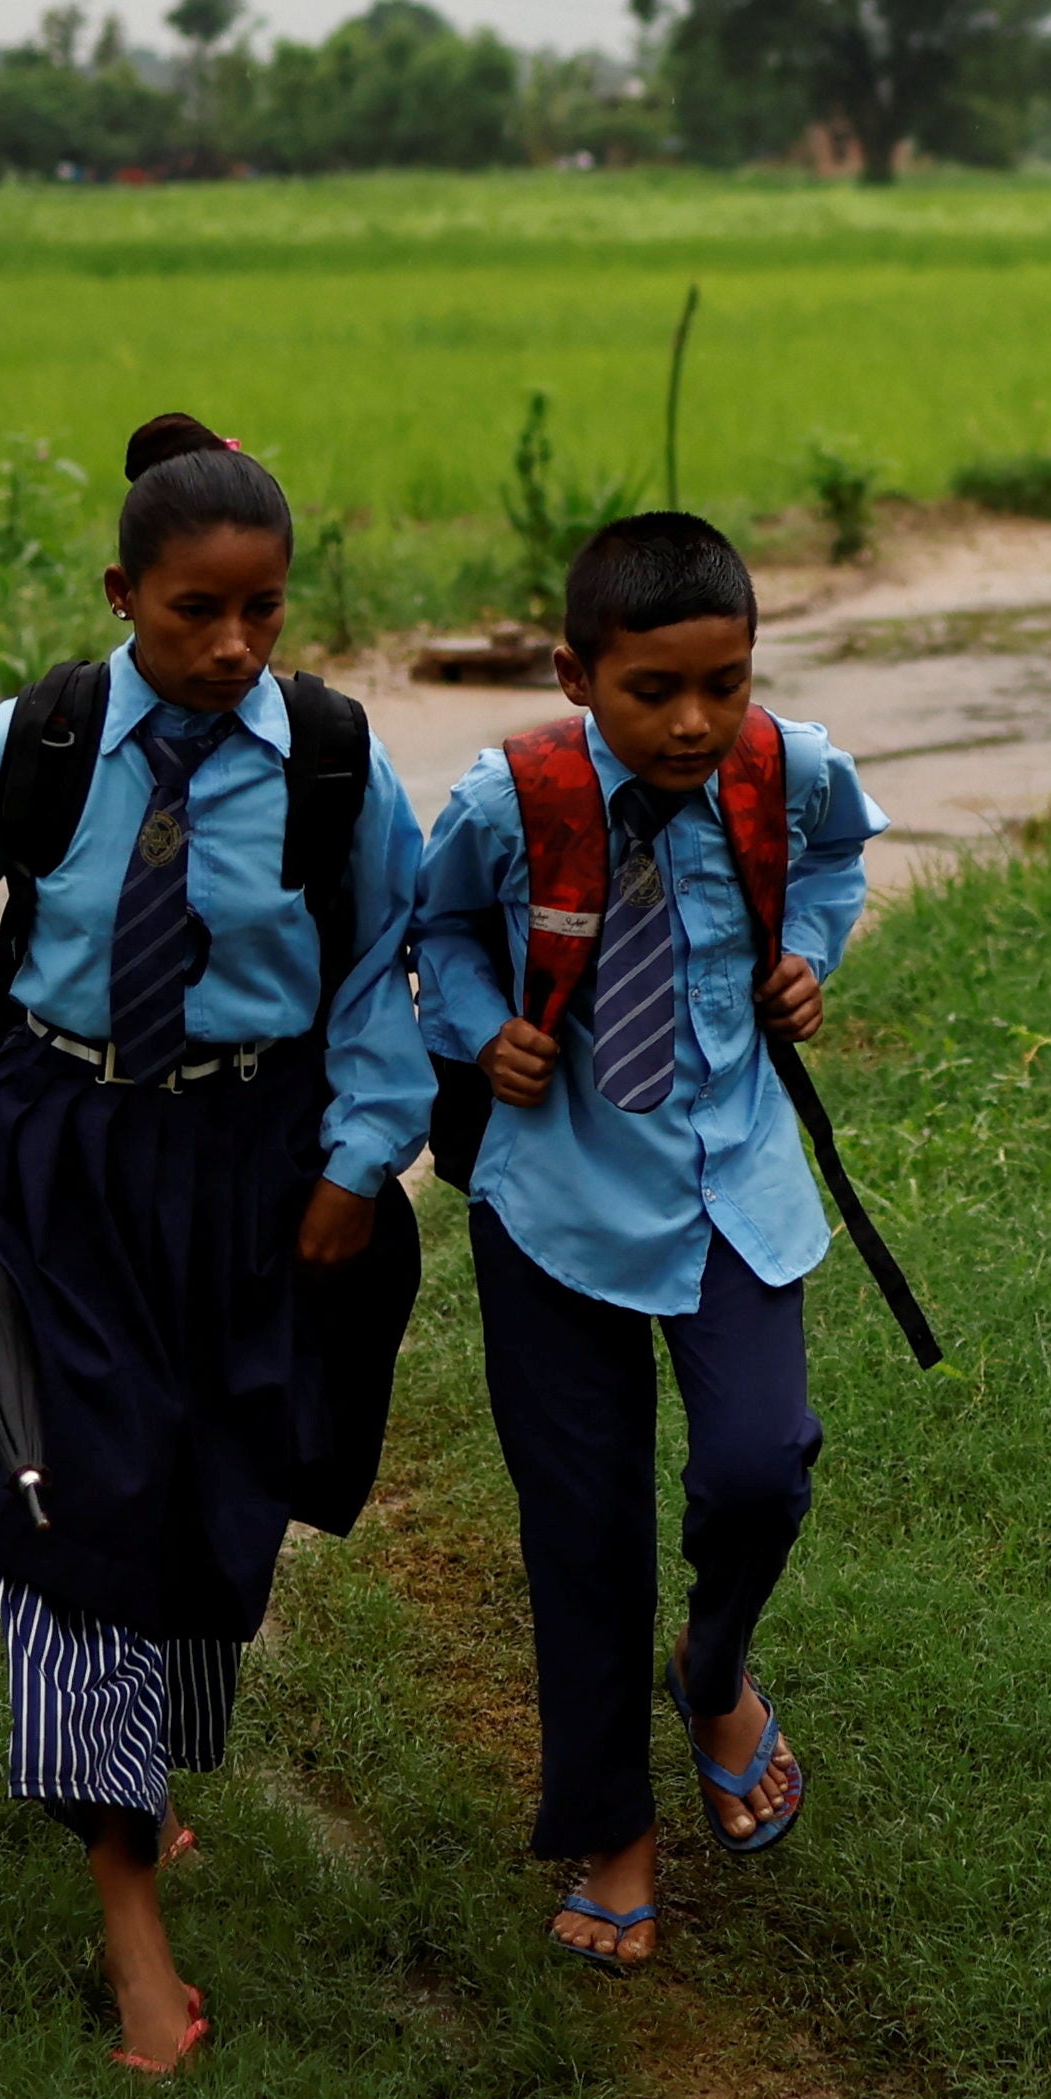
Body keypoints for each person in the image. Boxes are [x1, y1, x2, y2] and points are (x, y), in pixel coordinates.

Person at [0, 413, 429, 2076]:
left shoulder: (330, 759)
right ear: (122, 593)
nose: (231, 647)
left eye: (264, 613)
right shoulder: (29, 748)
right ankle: (127, 1907)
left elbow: (391, 962)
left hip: (253, 1170)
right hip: (58, 1159)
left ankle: (140, 1777)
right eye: (192, 616)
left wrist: (362, 1156)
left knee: (208, 1487)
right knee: (73, 1499)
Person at [411, 508, 882, 1973]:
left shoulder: (786, 764)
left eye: (723, 683)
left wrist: (810, 951)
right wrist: (480, 1029)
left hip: (732, 1177)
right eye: (654, 691)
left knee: (760, 1461)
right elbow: (440, 935)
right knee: (586, 1525)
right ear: (573, 671)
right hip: (556, 1197)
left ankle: (716, 1664)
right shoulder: (509, 798)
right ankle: (612, 1828)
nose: (693, 722)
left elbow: (838, 859)